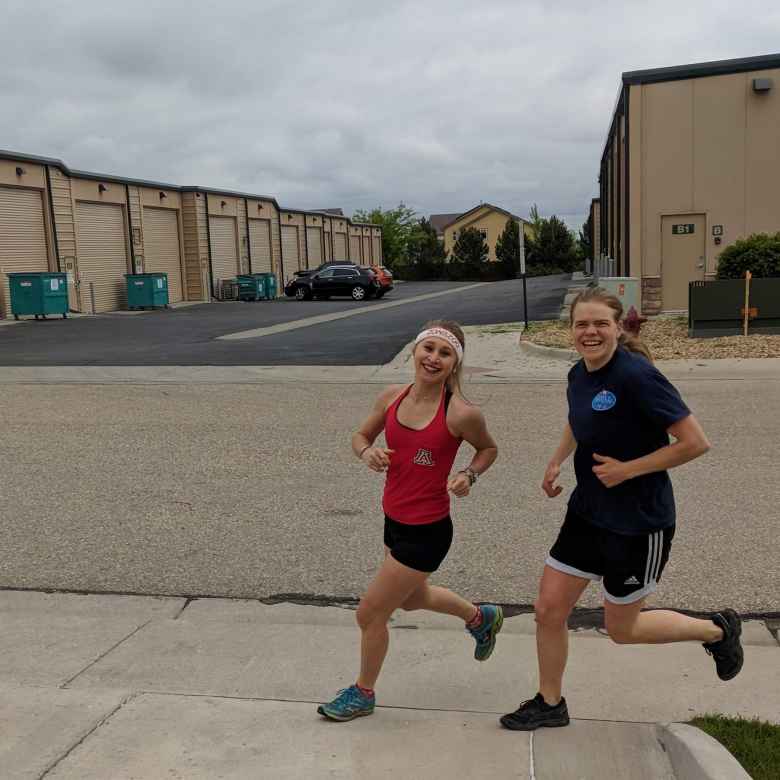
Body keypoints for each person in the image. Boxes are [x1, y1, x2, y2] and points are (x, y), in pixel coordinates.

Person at [501, 287, 743, 732]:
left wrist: (629, 470)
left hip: (638, 523)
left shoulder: (637, 376)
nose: (589, 332)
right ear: (571, 329)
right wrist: (557, 459)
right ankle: (550, 702)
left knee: (622, 630)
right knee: (549, 610)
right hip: (587, 513)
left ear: (617, 327)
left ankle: (717, 630)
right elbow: (578, 420)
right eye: (581, 324)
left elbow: (695, 443)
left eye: (599, 324)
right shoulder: (578, 373)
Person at [318, 320, 502, 722]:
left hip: (428, 531)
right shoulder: (390, 398)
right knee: (415, 598)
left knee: (370, 613)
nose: (433, 358)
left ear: (455, 364)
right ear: (414, 352)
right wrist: (366, 452)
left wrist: (469, 475)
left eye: (444, 353)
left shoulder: (460, 413)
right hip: (394, 520)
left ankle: (363, 693)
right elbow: (359, 437)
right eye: (428, 349)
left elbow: (488, 448)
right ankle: (479, 617)